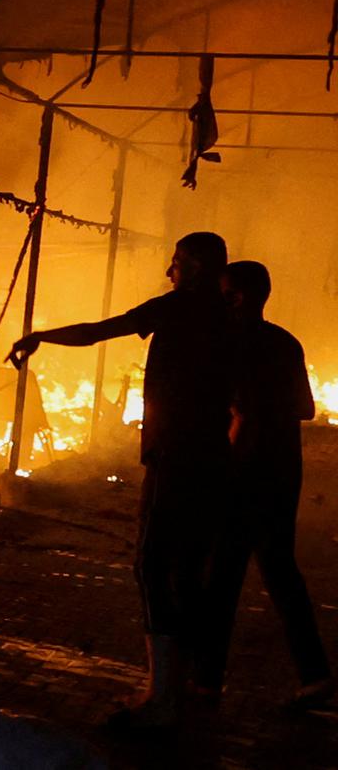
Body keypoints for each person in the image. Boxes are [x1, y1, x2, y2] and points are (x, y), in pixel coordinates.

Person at [8, 232, 235, 727]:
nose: (168, 272)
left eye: (175, 263)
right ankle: (190, 683)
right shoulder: (230, 317)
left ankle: (161, 698)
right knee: (192, 569)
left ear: (194, 266)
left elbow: (100, 330)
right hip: (214, 458)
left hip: (174, 456)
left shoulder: (178, 308)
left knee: (152, 565)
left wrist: (42, 336)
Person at [194, 261, 334, 709]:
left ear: (236, 296)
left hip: (243, 472)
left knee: (222, 575)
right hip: (281, 471)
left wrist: (229, 448)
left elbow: (243, 412)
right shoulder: (285, 342)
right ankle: (315, 676)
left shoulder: (231, 342)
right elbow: (306, 410)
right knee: (280, 571)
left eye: (224, 292)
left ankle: (206, 681)